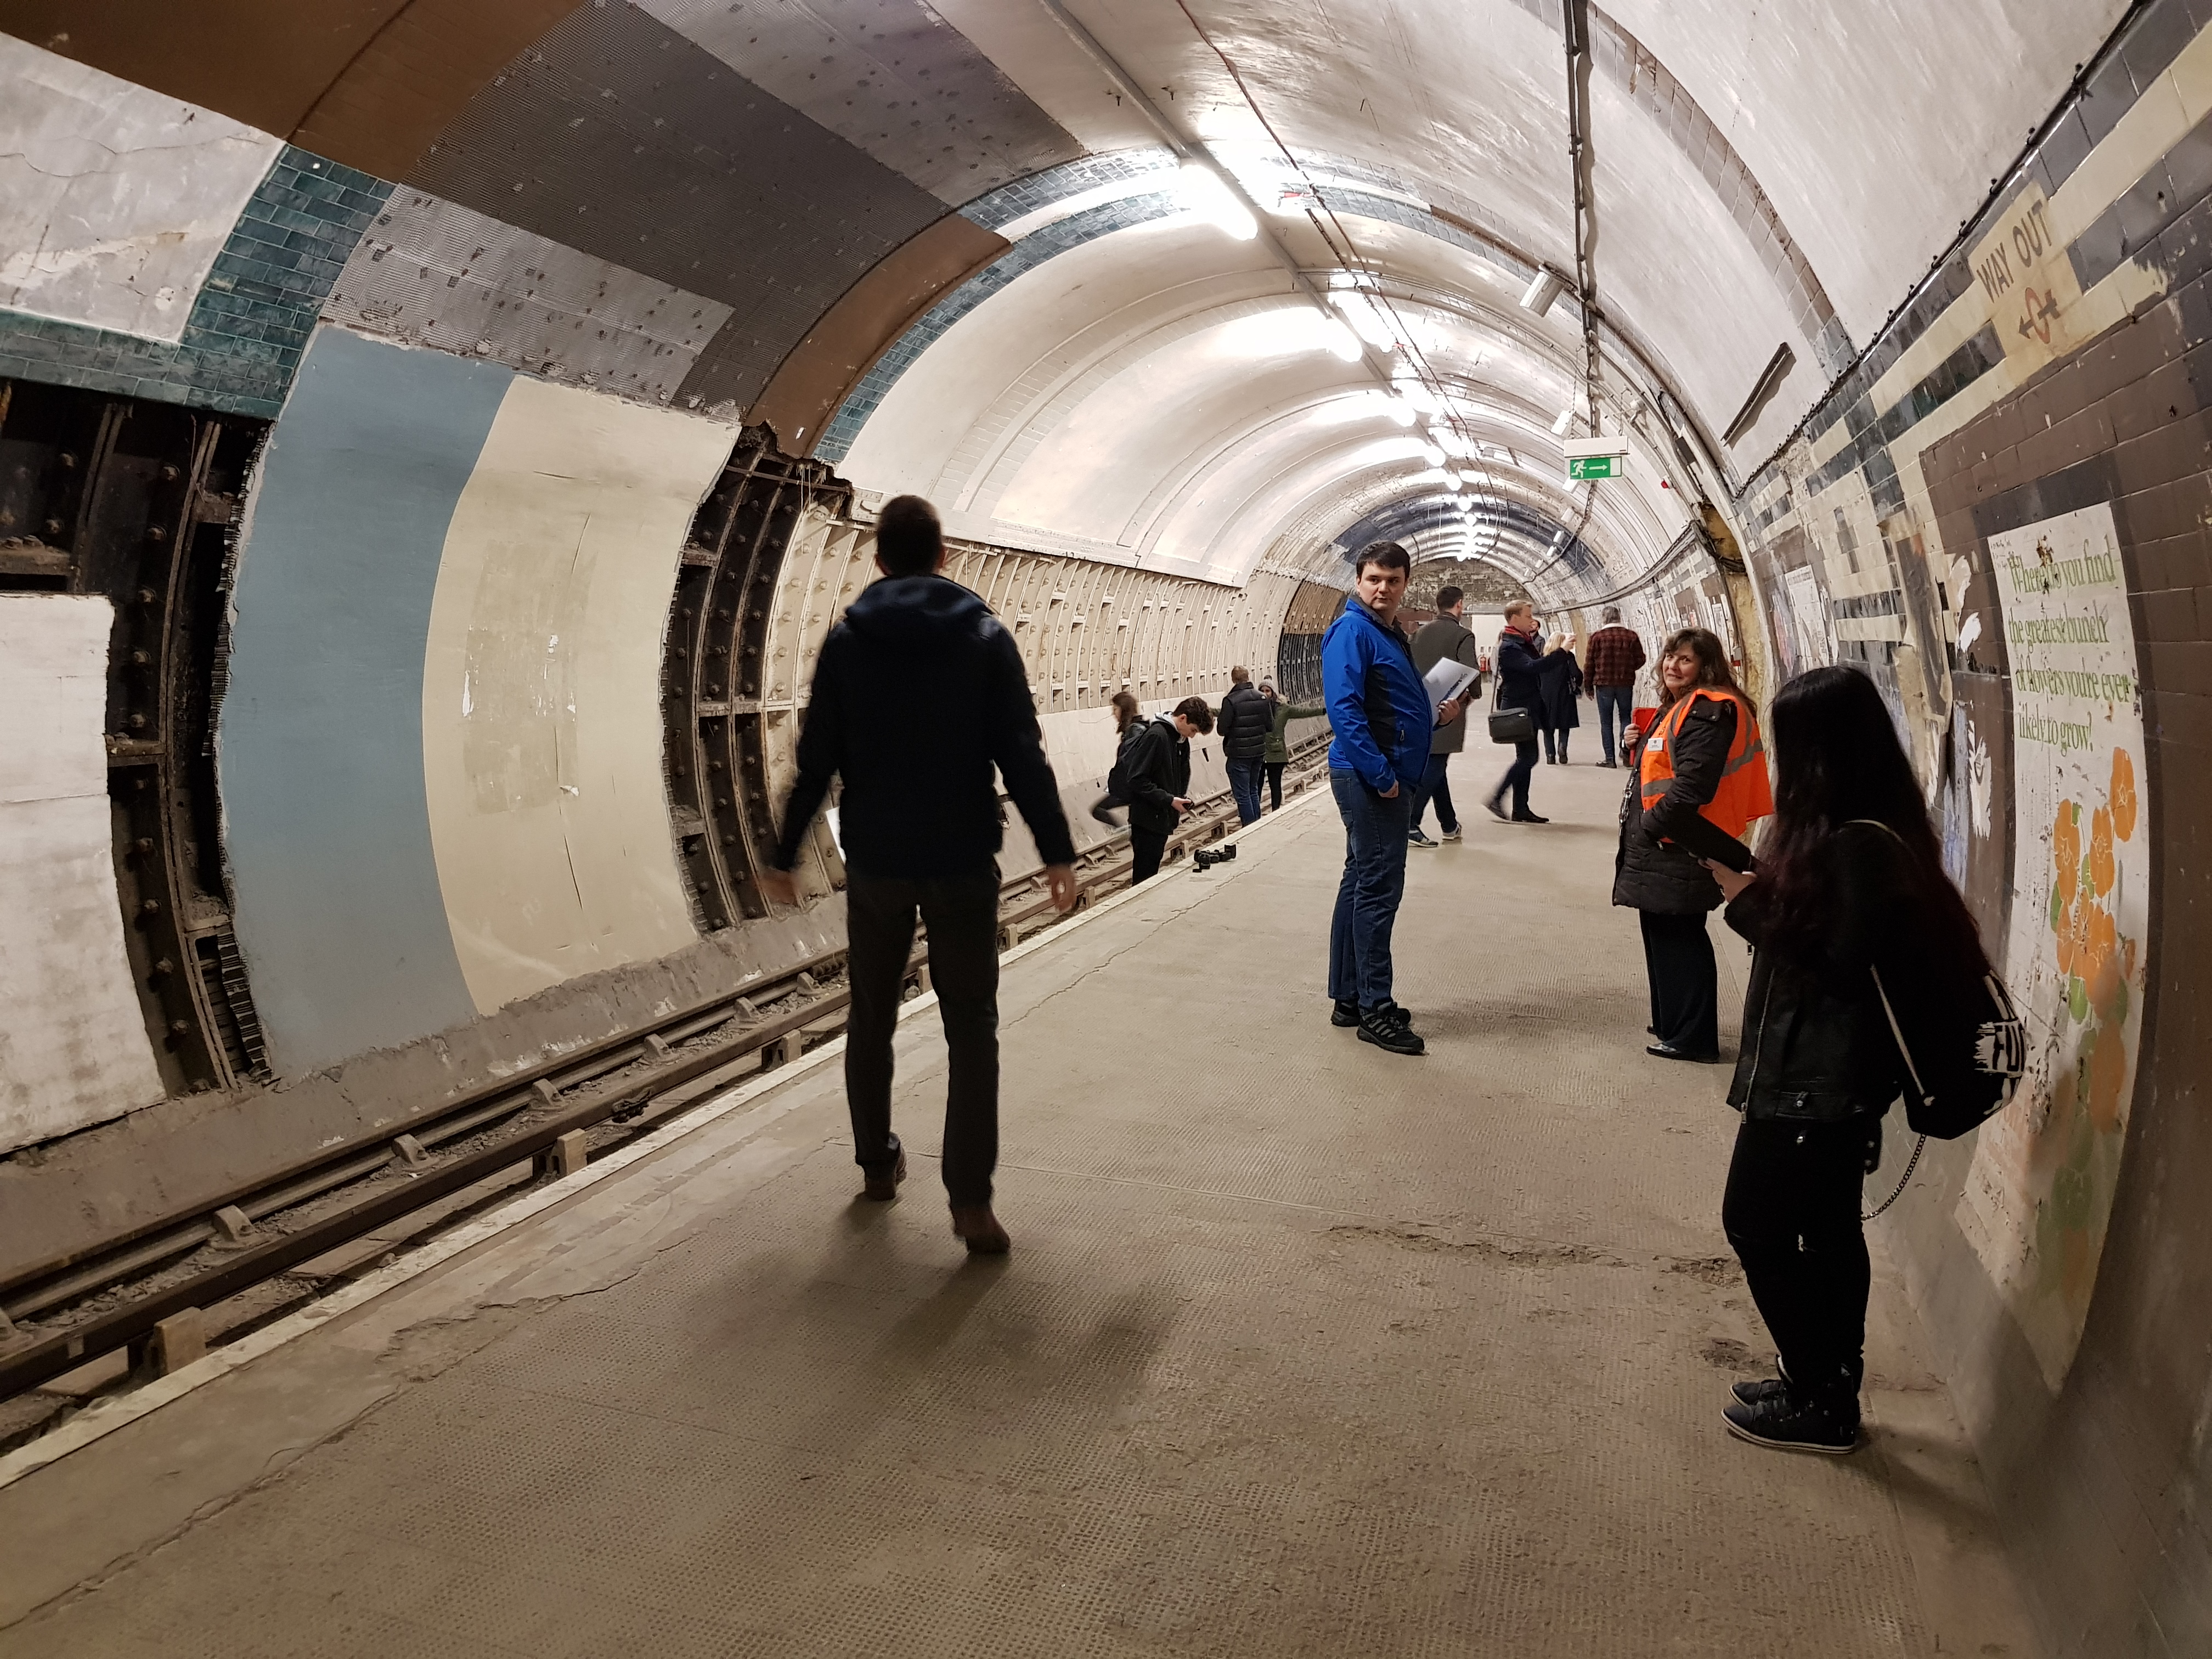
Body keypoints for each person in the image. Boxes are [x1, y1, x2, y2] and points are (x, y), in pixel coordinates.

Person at [760, 494, 1076, 1257]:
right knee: (971, 1028)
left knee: (872, 1016)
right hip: (961, 857)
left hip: (877, 860)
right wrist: (1058, 850)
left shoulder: (847, 641)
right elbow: (1021, 753)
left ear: (877, 561)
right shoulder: (986, 637)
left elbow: (816, 757)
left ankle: (877, 1164)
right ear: (944, 556)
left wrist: (785, 851)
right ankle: (970, 1204)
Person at [1704, 664, 1990, 1454]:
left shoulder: (1863, 845)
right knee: (1825, 1232)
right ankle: (1821, 1386)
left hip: (1820, 1086)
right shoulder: (1856, 832)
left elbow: (1839, 968)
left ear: (1823, 751)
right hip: (1818, 1079)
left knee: (1758, 1227)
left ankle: (1822, 1400)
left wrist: (1745, 900)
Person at [1611, 627, 1771, 1064]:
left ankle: (1692, 1038)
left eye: (1685, 659)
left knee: (1680, 937)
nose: (1673, 666)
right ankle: (1672, 1023)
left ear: (1707, 665)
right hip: (1667, 841)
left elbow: (1692, 787)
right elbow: (1660, 768)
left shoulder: (1709, 711)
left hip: (1679, 841)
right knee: (1663, 934)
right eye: (1670, 657)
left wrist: (1652, 826)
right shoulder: (1682, 707)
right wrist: (1634, 747)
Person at [1322, 541, 1436, 1055]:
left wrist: (1434, 714)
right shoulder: (1353, 631)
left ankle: (1350, 998)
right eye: (1374, 579)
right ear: (1359, 581)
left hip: (1383, 771)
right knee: (1378, 890)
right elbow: (1344, 709)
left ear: (1405, 584)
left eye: (1393, 580)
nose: (1383, 588)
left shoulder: (1386, 632)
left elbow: (1389, 702)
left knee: (1360, 881)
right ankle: (1376, 1009)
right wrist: (1381, 775)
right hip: (1371, 776)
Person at [1407, 584, 1482, 847]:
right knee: (1436, 764)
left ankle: (1449, 825)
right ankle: (1410, 823)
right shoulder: (1463, 635)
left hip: (1418, 705)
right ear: (1459, 604)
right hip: (1448, 706)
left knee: (1437, 763)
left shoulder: (1417, 634)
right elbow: (1471, 668)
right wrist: (1475, 694)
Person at [1122, 696, 1214, 883]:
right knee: (1144, 877)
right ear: (1183, 718)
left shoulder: (1179, 740)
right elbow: (1137, 779)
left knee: (1151, 872)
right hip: (1148, 819)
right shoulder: (1157, 736)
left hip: (1162, 818)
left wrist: (1177, 799)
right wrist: (1169, 800)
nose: (1192, 736)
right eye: (1193, 730)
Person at [1486, 600, 1549, 823]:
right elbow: (1531, 667)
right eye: (1527, 616)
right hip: (1519, 709)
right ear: (1514, 618)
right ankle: (1498, 797)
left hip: (1527, 707)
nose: (1531, 620)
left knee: (1526, 757)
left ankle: (1520, 808)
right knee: (1529, 757)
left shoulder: (1522, 641)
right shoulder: (1510, 646)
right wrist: (1560, 653)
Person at [1583, 606, 1647, 768]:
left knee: (1606, 722)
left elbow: (1589, 663)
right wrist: (1629, 668)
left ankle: (1610, 759)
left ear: (1604, 619)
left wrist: (1588, 686)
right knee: (1625, 718)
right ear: (1619, 617)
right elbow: (1641, 659)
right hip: (1625, 683)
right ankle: (1626, 753)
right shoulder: (1631, 636)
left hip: (1603, 685)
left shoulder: (1597, 637)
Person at [1216, 666, 1272, 826]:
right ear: (1248, 677)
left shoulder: (1230, 701)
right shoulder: (1262, 698)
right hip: (1259, 752)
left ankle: (1249, 827)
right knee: (1253, 790)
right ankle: (1257, 826)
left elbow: (1222, 730)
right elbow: (1270, 726)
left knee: (1243, 795)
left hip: (1238, 754)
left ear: (1234, 680)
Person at [1259, 679, 1325, 811]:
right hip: (1260, 752)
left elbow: (1303, 712)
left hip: (1277, 753)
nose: (1265, 694)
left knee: (1275, 785)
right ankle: (1256, 816)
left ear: (1273, 693)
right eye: (1262, 691)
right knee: (1257, 786)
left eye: (1268, 691)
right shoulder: (1255, 707)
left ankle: (1276, 812)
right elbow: (1236, 711)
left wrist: (1323, 710)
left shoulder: (1283, 709)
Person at [1090, 690, 1145, 826]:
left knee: (1098, 810)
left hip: (1131, 788)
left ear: (1124, 709)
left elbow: (1130, 761)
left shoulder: (1134, 731)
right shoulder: (1137, 728)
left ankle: (1123, 830)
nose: (1113, 714)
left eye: (1115, 709)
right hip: (1134, 787)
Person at [1537, 631, 1582, 765]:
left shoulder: (1543, 657)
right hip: (1565, 694)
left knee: (1547, 727)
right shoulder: (1568, 657)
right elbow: (1577, 674)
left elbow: (1536, 677)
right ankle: (1562, 748)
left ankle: (1550, 755)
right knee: (1564, 724)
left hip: (1546, 695)